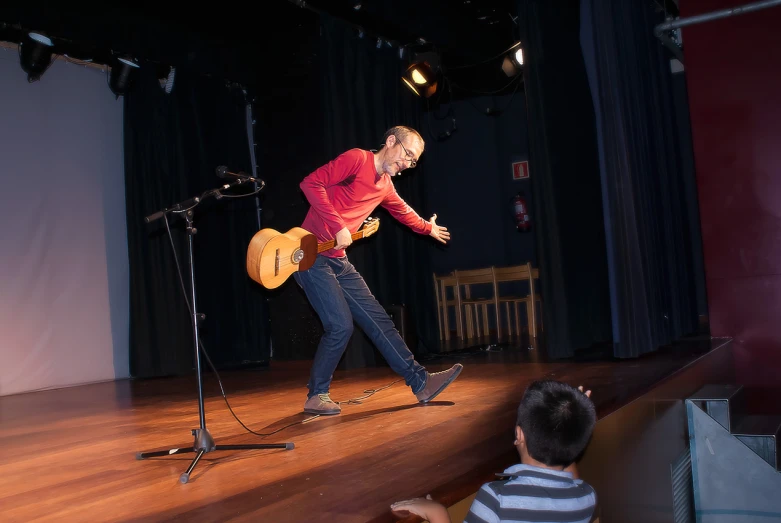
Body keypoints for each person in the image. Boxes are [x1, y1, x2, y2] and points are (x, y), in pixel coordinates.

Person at [294, 125, 463, 416]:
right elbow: (310, 184)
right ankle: (316, 394)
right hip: (308, 255)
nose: (407, 164)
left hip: (337, 258)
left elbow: (403, 211)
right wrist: (337, 226)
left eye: (413, 162)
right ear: (390, 141)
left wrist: (427, 228)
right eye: (407, 155)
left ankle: (421, 382)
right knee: (340, 325)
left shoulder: (384, 185)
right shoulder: (357, 159)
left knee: (379, 320)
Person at [390, 381, 597, 523]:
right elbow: (569, 467)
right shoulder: (586, 498)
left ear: (519, 435)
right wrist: (574, 419)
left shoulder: (498, 498)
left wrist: (437, 513)